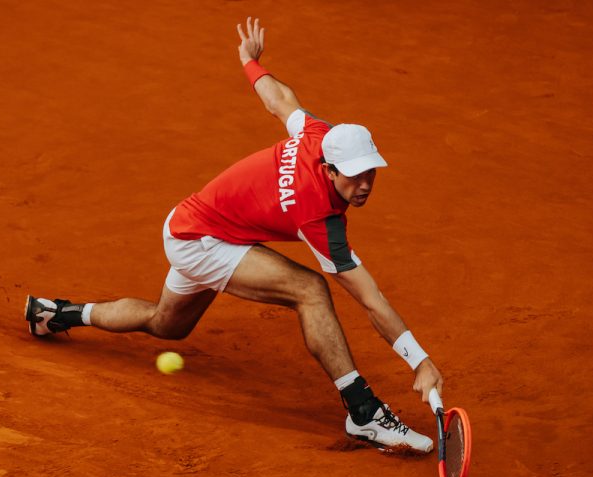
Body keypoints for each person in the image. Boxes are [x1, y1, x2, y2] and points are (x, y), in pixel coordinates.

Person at [25, 17, 443, 453]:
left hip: (193, 223)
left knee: (166, 325)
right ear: (330, 168)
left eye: (370, 173)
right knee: (311, 289)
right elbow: (371, 300)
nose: (364, 185)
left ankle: (57, 314)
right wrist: (420, 360)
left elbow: (280, 100)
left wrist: (250, 62)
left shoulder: (318, 135)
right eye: (354, 177)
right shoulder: (317, 216)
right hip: (201, 240)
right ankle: (364, 414)